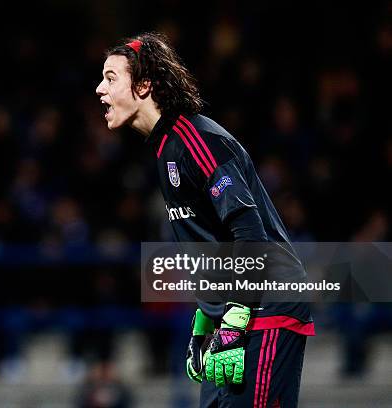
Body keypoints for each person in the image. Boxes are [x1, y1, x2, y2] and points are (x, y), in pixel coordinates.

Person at [95, 32, 315, 408]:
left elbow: (249, 231)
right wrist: (206, 319)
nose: (100, 88)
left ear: (145, 85)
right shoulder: (167, 149)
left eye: (111, 78)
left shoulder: (197, 140)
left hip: (265, 307)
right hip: (235, 314)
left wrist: (234, 321)